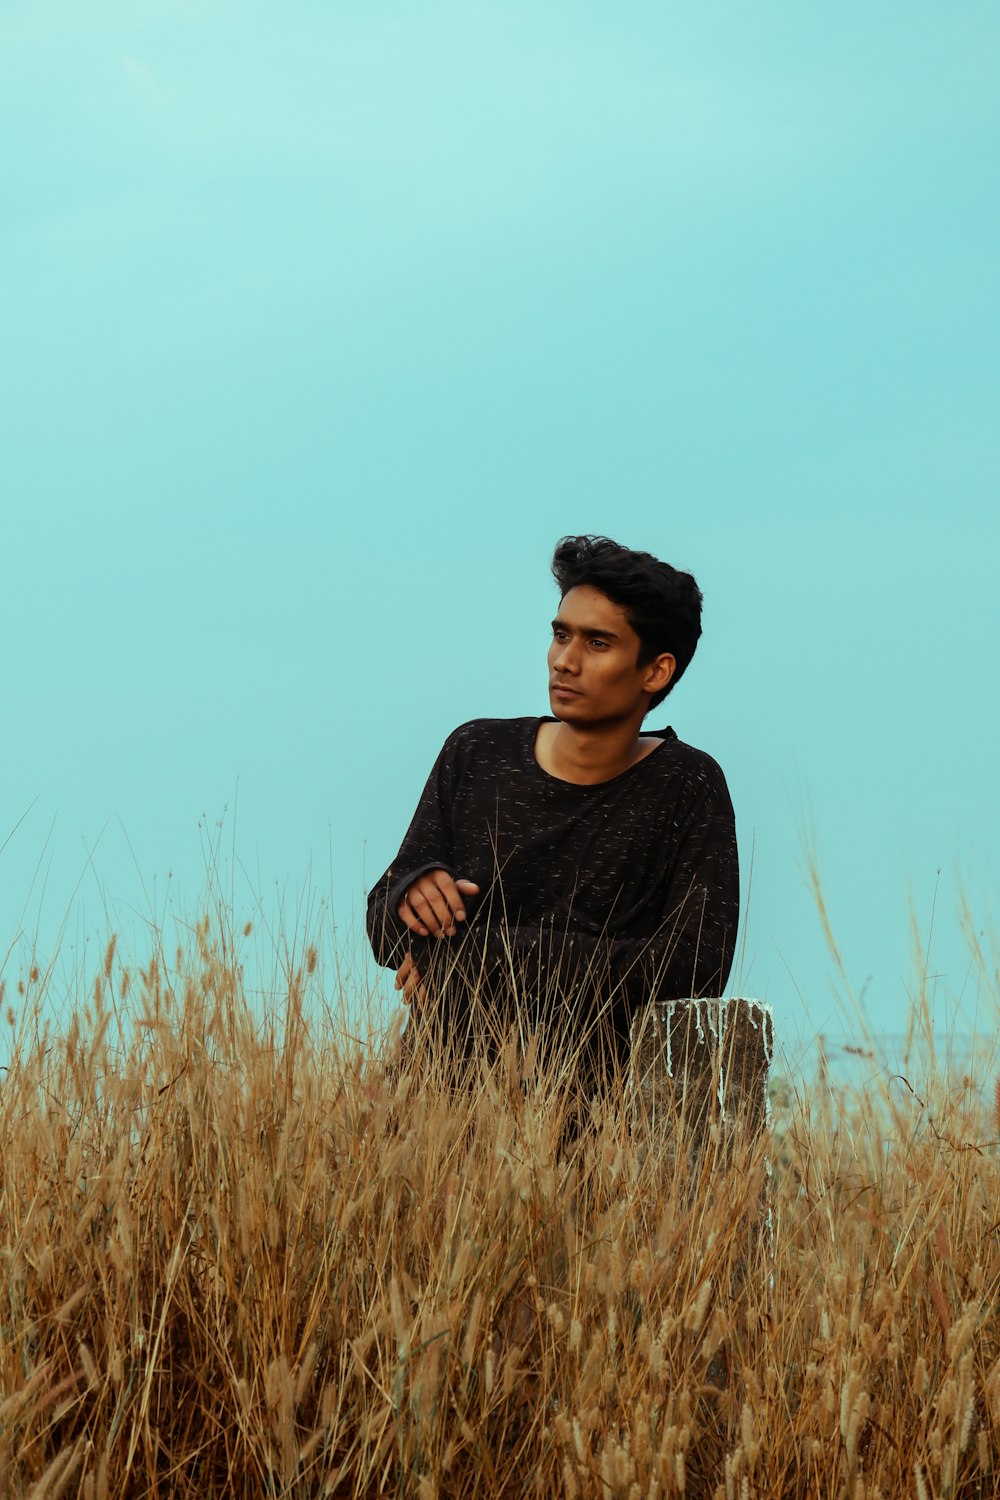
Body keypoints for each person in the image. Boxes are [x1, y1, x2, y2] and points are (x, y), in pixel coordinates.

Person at [366, 534, 739, 1093]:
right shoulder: (477, 753)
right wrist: (410, 895)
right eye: (561, 635)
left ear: (655, 672)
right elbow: (387, 923)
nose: (565, 661)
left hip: (599, 1124)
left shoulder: (686, 786)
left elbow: (693, 966)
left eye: (598, 643)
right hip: (433, 1111)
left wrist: (470, 959)